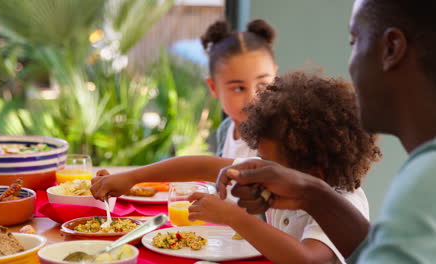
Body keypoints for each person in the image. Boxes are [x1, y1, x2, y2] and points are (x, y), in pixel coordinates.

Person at [216, 0, 436, 263]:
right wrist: (310, 194)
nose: (350, 63)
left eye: (354, 40)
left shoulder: (423, 185)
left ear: (391, 48)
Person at [91, 71, 381, 264]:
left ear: (314, 174)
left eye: (269, 165)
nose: (259, 169)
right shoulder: (276, 178)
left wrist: (234, 217)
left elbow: (306, 259)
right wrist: (132, 177)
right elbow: (204, 164)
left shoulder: (342, 205)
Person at [200, 19, 278, 158]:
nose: (252, 99)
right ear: (214, 87)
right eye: (238, 88)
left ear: (274, 76)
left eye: (262, 85)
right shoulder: (225, 130)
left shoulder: (276, 136)